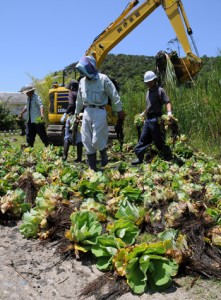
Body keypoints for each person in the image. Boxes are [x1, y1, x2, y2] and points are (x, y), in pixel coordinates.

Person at [75, 55, 124, 171]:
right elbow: (79, 99)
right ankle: (92, 167)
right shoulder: (82, 81)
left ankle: (103, 152)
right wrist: (76, 112)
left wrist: (119, 110)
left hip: (100, 111)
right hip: (87, 111)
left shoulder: (103, 79)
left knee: (97, 139)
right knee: (86, 139)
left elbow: (114, 94)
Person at [132, 71, 173, 165]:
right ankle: (139, 158)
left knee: (158, 140)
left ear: (155, 80)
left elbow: (167, 102)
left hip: (156, 119)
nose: (148, 84)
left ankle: (166, 156)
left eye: (150, 81)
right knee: (143, 139)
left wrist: (169, 113)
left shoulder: (160, 90)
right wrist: (143, 114)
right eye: (147, 82)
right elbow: (149, 106)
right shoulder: (148, 92)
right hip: (148, 119)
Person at [60, 80, 83, 162]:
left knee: (67, 136)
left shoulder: (71, 93)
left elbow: (71, 104)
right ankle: (79, 158)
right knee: (79, 137)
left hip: (72, 117)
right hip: (80, 117)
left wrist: (65, 114)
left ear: (72, 87)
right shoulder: (81, 94)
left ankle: (64, 156)